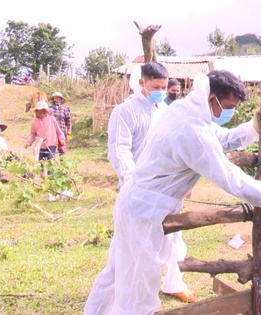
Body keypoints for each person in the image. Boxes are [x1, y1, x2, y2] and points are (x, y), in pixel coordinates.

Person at [84, 70, 261, 315]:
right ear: (212, 99)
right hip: (145, 211)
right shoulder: (192, 131)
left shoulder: (182, 112)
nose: (227, 113)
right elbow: (231, 179)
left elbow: (221, 138)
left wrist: (252, 128)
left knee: (116, 273)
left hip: (135, 203)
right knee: (138, 283)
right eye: (228, 106)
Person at [107, 62, 195, 303]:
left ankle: (174, 284)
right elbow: (119, 151)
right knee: (134, 245)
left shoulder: (163, 111)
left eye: (164, 87)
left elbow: (173, 147)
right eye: (155, 86)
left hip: (166, 191)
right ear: (141, 83)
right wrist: (134, 184)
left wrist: (182, 182)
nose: (161, 91)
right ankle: (126, 291)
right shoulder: (125, 111)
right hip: (138, 193)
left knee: (174, 238)